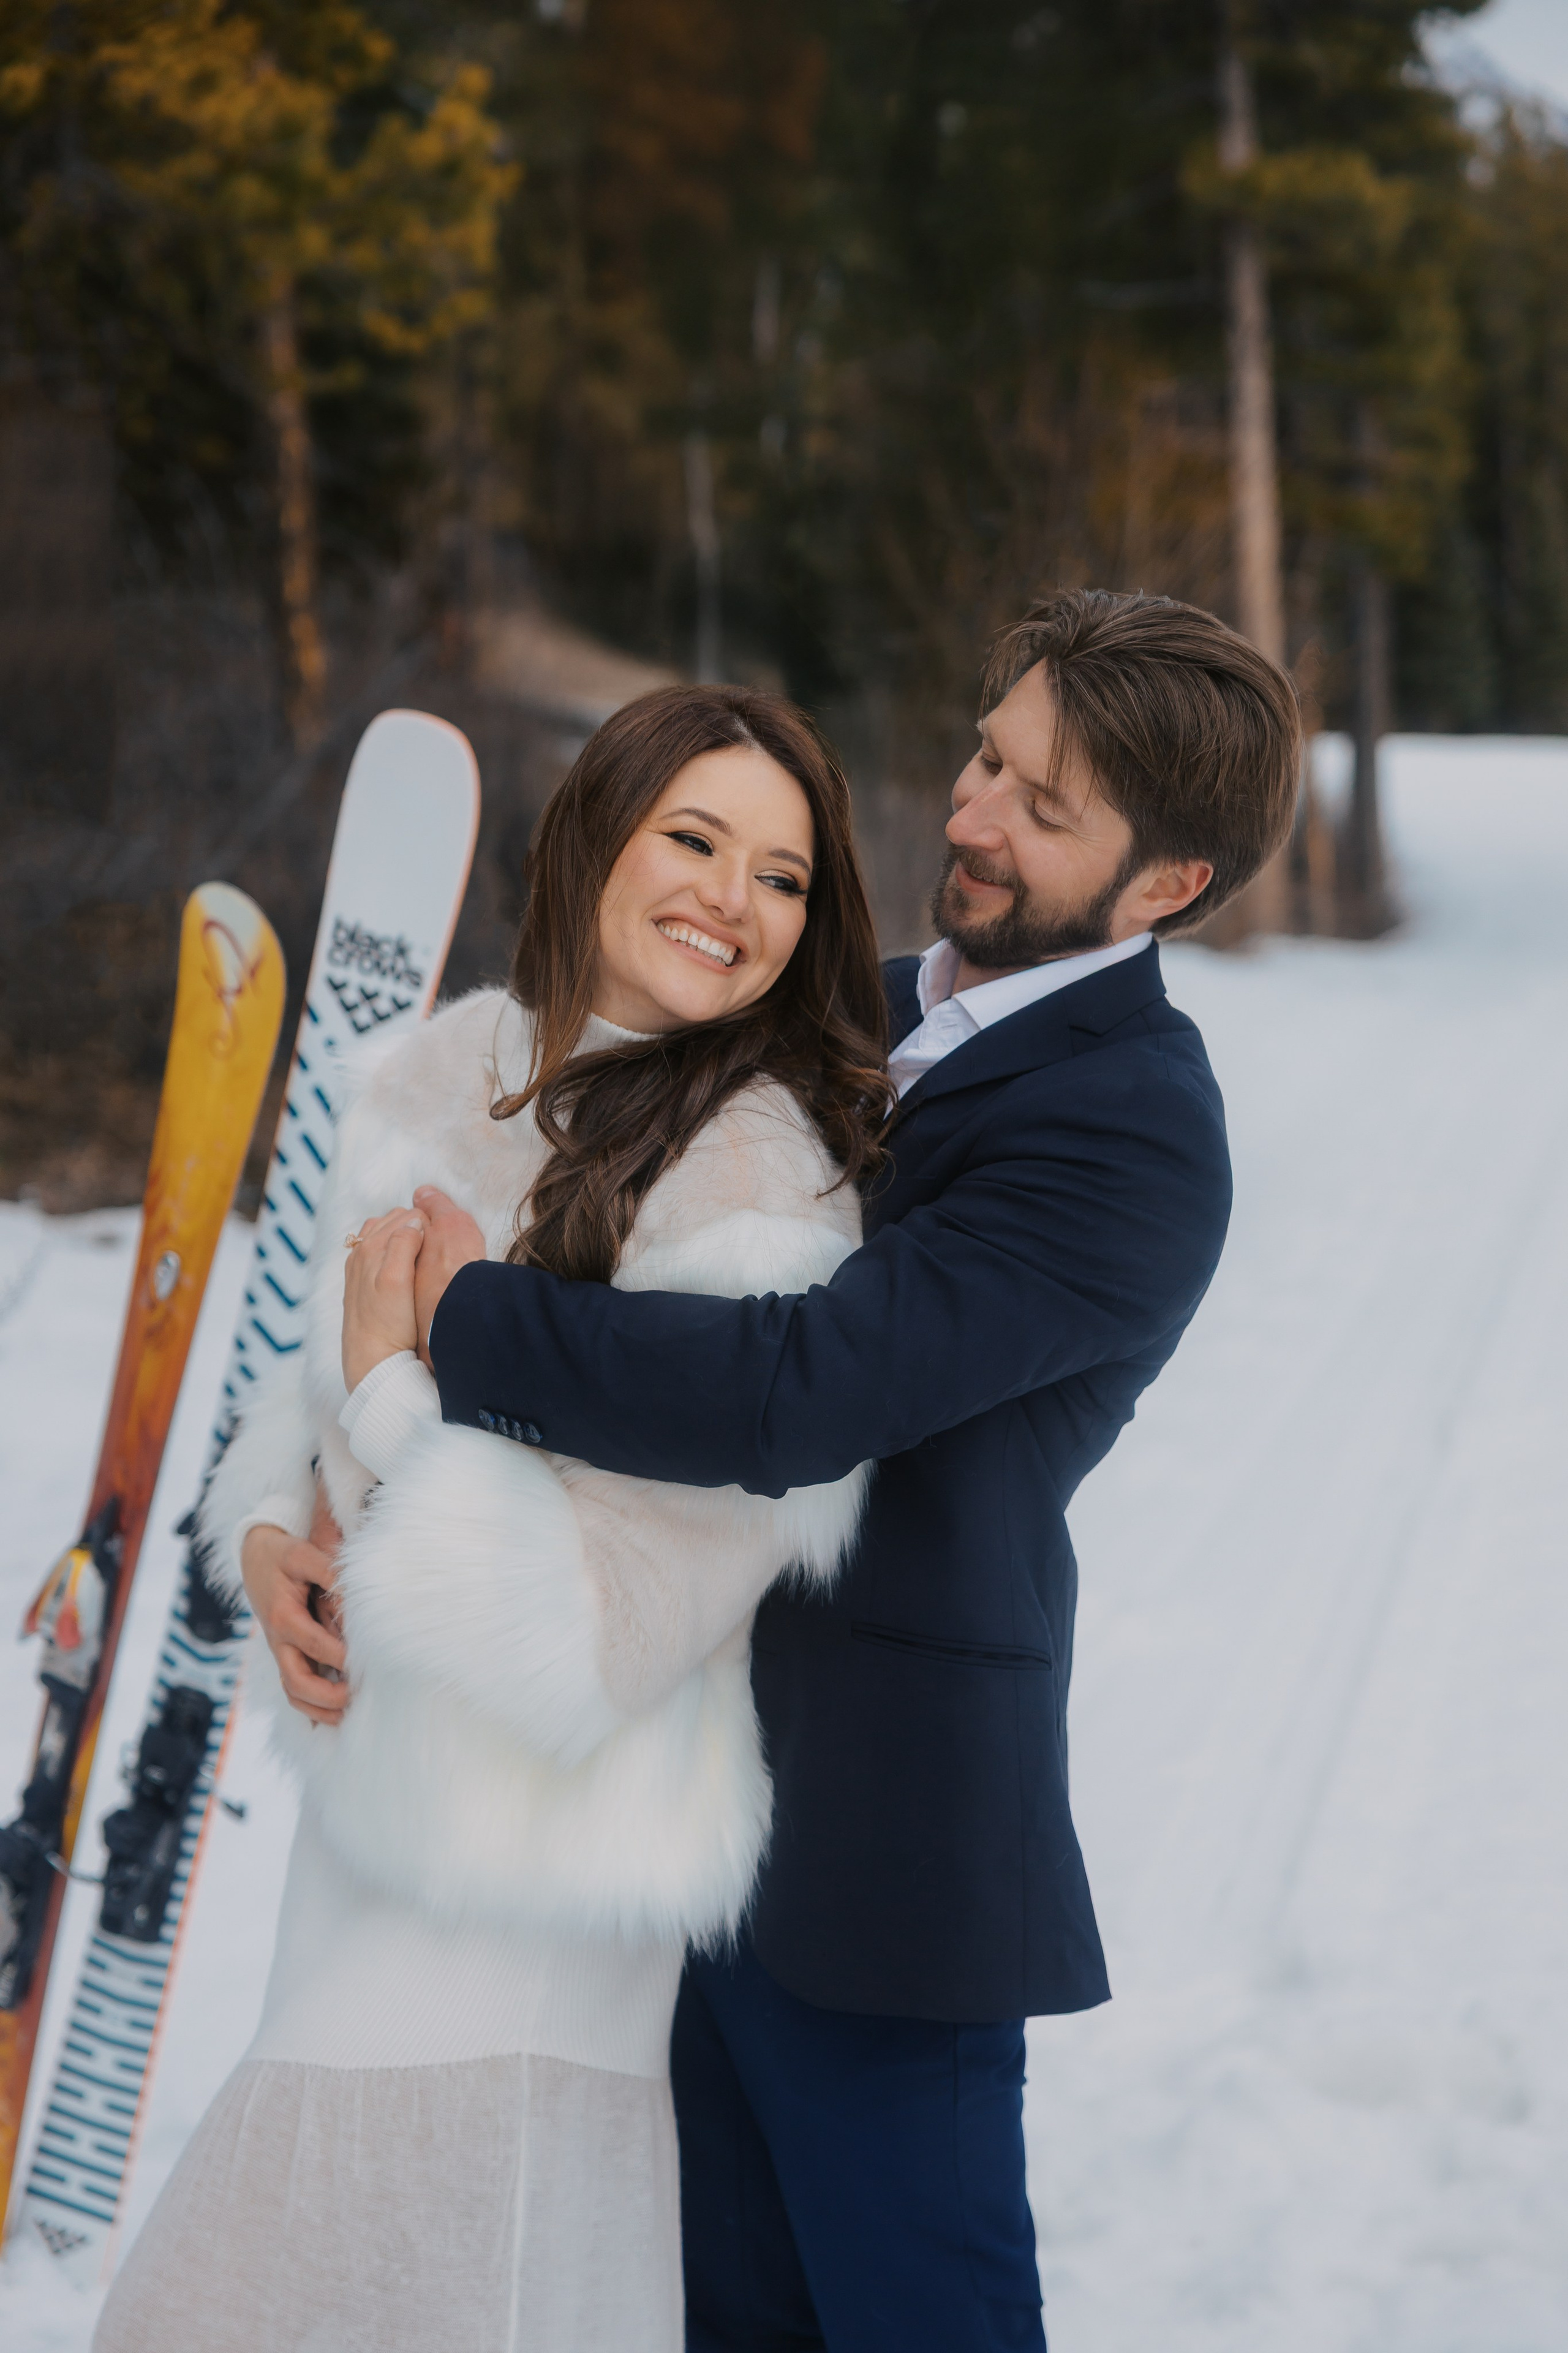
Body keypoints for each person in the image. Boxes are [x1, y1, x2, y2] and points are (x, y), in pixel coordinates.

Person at [404, 589, 1304, 2351]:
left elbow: (803, 1387)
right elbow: (573, 1164)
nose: (967, 814)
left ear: (1168, 886)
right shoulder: (860, 1008)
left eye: (1043, 808)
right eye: (990, 757)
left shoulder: (1132, 1133)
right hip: (672, 1803)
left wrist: (469, 1329)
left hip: (878, 1855)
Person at [93, 684, 894, 2353]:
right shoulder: (439, 1068)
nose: (733, 902)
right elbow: (294, 1391)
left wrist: (400, 1395)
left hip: (536, 1871)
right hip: (370, 1833)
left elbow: (611, 1619)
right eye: (695, 838)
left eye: (784, 876)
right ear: (597, 829)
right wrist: (268, 1539)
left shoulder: (763, 1185)